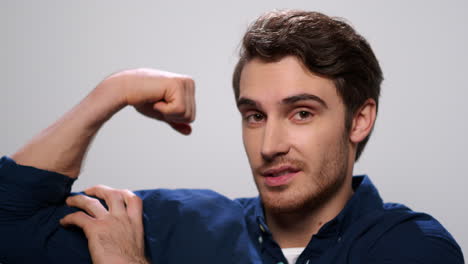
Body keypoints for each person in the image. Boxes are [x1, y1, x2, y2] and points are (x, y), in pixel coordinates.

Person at [0, 9, 464, 264]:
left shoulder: (409, 247)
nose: (269, 145)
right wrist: (113, 91)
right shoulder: (173, 224)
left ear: (359, 120)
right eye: (254, 116)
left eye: (301, 113)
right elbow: (9, 224)